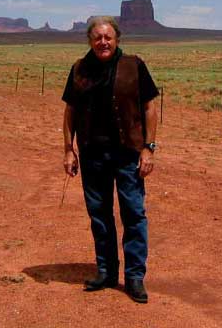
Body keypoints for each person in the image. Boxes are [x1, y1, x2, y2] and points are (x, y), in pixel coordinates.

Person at [62, 16, 159, 304]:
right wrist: (69, 149)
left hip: (128, 153)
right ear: (89, 41)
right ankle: (106, 271)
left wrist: (149, 148)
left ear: (117, 39)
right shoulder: (79, 69)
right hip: (93, 154)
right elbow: (70, 111)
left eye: (108, 37)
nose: (103, 42)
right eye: (97, 38)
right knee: (100, 215)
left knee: (133, 213)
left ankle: (134, 277)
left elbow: (150, 107)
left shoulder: (134, 65)